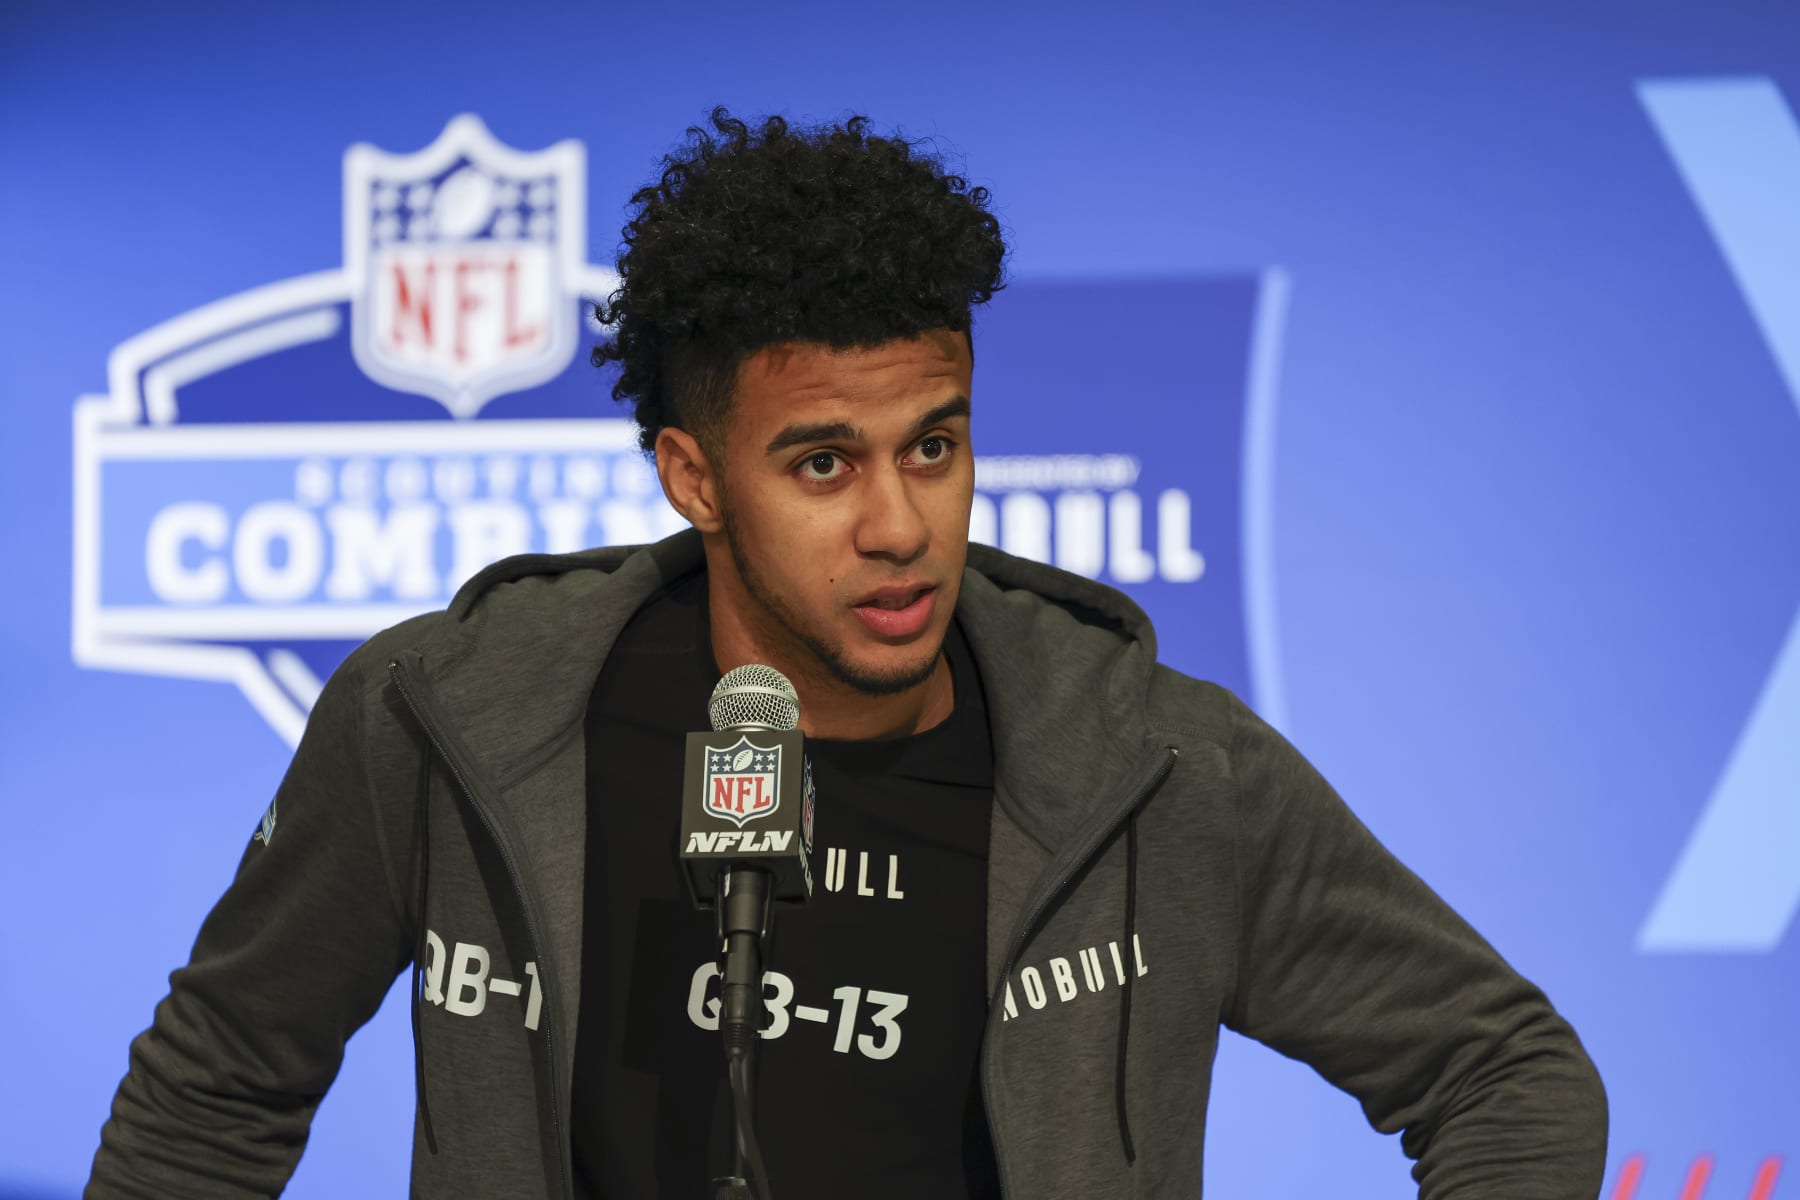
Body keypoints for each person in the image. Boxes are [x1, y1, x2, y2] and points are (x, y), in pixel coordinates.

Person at [88, 109, 1606, 1199]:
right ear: (695, 479)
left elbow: (1504, 1075)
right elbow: (216, 1093)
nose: (901, 525)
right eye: (823, 465)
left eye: (933, 445)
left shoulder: (1158, 768)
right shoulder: (444, 724)